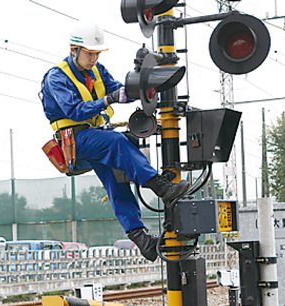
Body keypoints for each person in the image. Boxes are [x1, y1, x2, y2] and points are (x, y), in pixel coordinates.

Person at [39, 20, 190, 261]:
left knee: (117, 183)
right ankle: (163, 188)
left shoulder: (98, 70)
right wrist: (109, 99)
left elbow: (120, 91)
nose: (94, 59)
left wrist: (143, 85)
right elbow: (75, 111)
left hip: (95, 137)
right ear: (73, 50)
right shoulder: (56, 78)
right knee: (117, 142)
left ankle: (142, 240)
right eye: (90, 53)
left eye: (97, 53)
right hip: (75, 140)